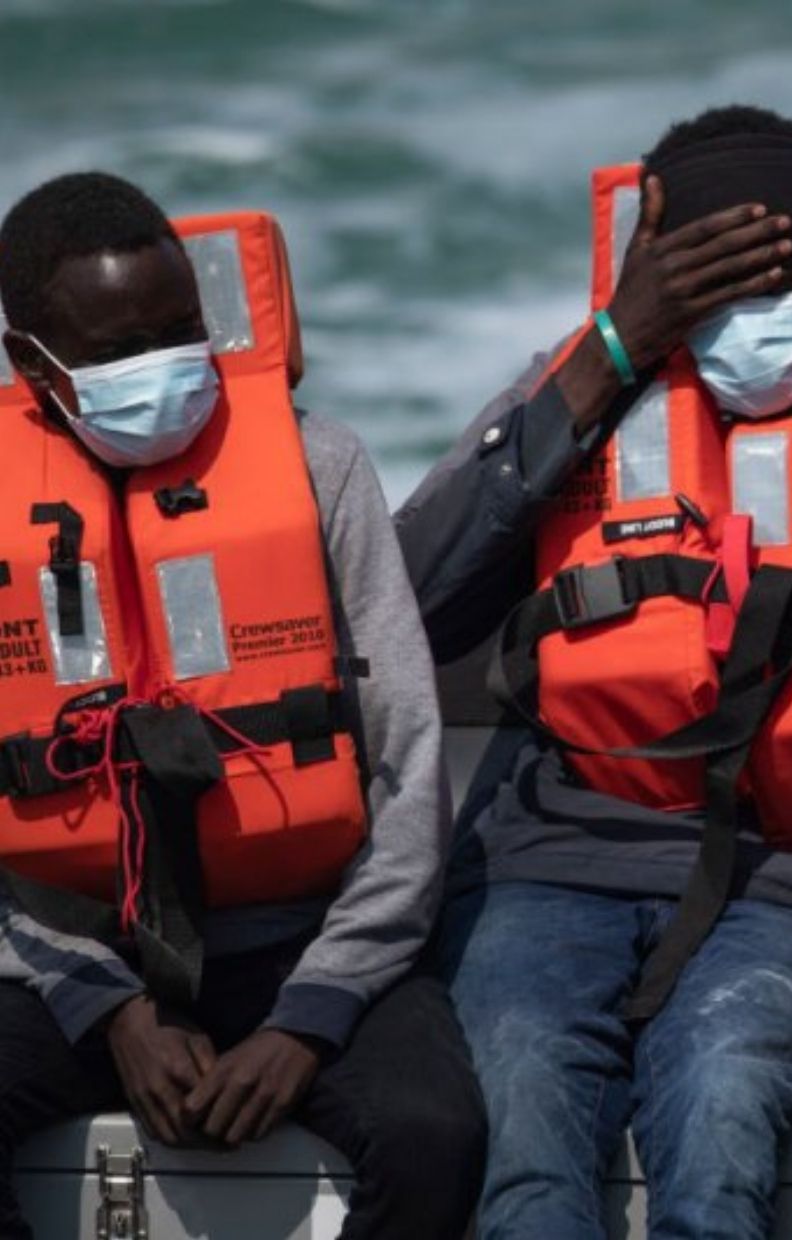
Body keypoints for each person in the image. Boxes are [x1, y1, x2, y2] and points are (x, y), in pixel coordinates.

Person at [394, 106, 792, 1238]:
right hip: (558, 854)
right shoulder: (579, 386)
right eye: (710, 298)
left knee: (722, 1097)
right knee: (519, 1103)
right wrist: (616, 347)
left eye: (779, 291)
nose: (751, 329)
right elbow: (407, 604)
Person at [0, 173, 484, 1240]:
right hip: (75, 964)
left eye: (182, 331)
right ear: (34, 364)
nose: (167, 371)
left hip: (309, 943)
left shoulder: (320, 465)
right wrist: (110, 1006)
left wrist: (313, 1016)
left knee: (433, 1136)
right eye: (120, 352)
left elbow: (407, 767)